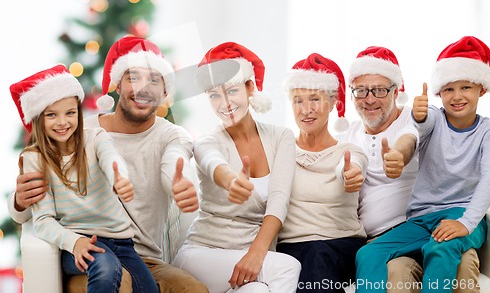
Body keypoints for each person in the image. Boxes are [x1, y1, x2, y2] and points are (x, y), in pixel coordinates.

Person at [8, 36, 208, 293]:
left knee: (193, 290)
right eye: (133, 77)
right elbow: (25, 212)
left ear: (165, 91)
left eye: (154, 79)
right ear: (117, 83)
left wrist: (178, 183)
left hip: (143, 259)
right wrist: (20, 200)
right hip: (87, 254)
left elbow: (173, 161)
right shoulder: (77, 130)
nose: (143, 88)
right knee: (117, 282)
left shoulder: (171, 136)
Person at [355, 35, 490, 292]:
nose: (456, 96)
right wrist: (414, 124)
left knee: (440, 248)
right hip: (422, 219)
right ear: (439, 93)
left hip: (464, 215)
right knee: (368, 254)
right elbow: (416, 130)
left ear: (482, 89)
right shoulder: (433, 116)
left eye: (465, 87)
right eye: (448, 89)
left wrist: (465, 223)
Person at [9, 64, 158, 293]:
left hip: (122, 242)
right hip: (77, 241)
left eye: (70, 113)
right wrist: (74, 242)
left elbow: (111, 158)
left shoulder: (96, 138)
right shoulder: (35, 158)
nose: (62, 122)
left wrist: (119, 177)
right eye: (51, 115)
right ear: (39, 119)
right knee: (106, 267)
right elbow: (42, 221)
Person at [172, 41, 301, 292]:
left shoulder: (281, 137)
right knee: (287, 267)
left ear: (249, 87)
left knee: (258, 290)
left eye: (231, 91)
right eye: (214, 95)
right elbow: (213, 163)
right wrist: (231, 180)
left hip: (248, 259)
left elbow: (278, 201)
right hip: (202, 254)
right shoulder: (208, 142)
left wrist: (255, 254)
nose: (225, 103)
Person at [276, 53, 367, 292]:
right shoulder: (280, 153)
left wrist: (349, 174)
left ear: (333, 102)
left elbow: (351, 167)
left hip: (340, 244)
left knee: (316, 259)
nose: (306, 110)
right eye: (298, 101)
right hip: (291, 247)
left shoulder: (349, 151)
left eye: (314, 99)